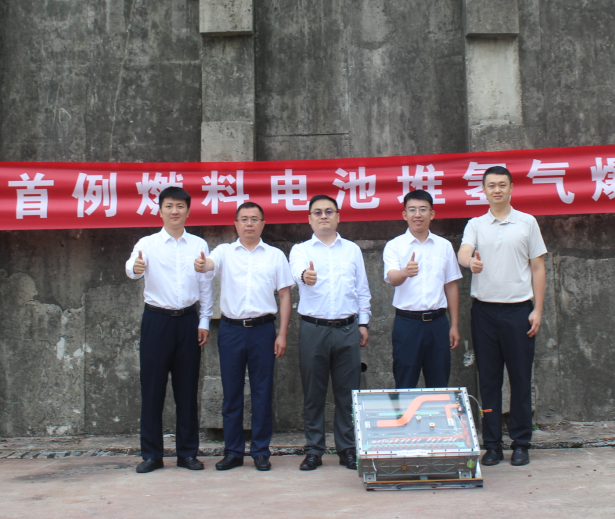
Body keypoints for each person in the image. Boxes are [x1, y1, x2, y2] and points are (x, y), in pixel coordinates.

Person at [457, 166, 546, 468]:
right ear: (483, 190)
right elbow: (463, 252)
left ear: (511, 188)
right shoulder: (476, 224)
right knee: (489, 380)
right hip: (484, 312)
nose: (497, 190)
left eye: (502, 185)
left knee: (520, 379)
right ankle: (492, 444)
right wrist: (470, 262)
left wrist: (537, 309)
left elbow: (538, 267)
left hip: (519, 311)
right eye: (491, 185)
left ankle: (521, 443)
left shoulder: (527, 222)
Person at [193, 202, 292, 472]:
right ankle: (233, 451)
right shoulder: (224, 252)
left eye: (255, 219)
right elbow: (209, 264)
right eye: (244, 219)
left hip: (263, 330)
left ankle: (260, 451)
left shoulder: (275, 256)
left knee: (262, 392)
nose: (249, 224)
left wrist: (282, 334)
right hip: (231, 331)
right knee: (232, 393)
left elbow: (285, 296)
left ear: (263, 224)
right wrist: (202, 263)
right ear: (235, 224)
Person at [125, 186, 213, 473]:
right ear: (160, 210)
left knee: (187, 389)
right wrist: (137, 267)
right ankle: (152, 455)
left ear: (188, 210)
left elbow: (205, 285)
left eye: (180, 206)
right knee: (152, 389)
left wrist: (204, 321)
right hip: (157, 321)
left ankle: (187, 453)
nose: (174, 211)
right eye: (169, 206)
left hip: (188, 321)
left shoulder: (198, 244)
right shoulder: (147, 243)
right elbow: (131, 268)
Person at [289, 195, 371, 471]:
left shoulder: (352, 250)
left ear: (338, 216)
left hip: (347, 329)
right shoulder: (301, 250)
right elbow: (297, 272)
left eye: (328, 211)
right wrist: (305, 276)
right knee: (314, 393)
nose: (323, 216)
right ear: (309, 218)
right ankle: (314, 449)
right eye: (317, 212)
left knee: (348, 394)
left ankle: (347, 449)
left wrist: (363, 323)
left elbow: (362, 289)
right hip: (314, 329)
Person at [382, 189, 461, 389]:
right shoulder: (394, 246)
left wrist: (454, 325)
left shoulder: (444, 246)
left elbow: (451, 285)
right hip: (407, 324)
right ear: (404, 215)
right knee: (405, 383)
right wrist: (404, 272)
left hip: (438, 324)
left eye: (423, 209)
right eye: (412, 210)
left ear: (431, 214)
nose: (418, 214)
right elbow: (392, 279)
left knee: (439, 384)